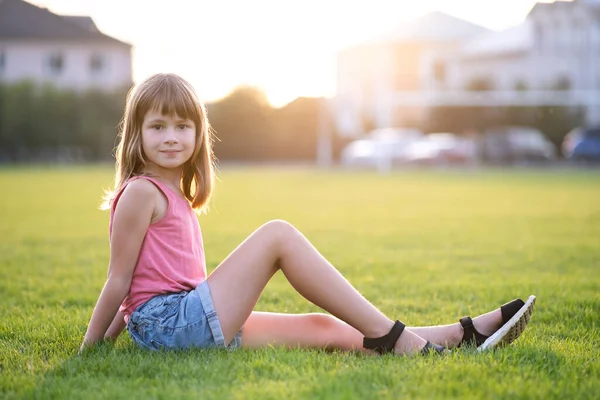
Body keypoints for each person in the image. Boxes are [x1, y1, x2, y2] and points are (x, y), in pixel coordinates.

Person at [80, 73, 535, 356]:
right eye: (158, 126)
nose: (172, 137)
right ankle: (404, 341)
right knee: (278, 234)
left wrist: (127, 333)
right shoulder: (141, 191)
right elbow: (120, 282)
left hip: (177, 322)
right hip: (173, 326)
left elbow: (135, 289)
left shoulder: (170, 192)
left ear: (200, 133)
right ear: (136, 134)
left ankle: (456, 335)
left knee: (323, 328)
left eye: (183, 125)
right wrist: (91, 350)